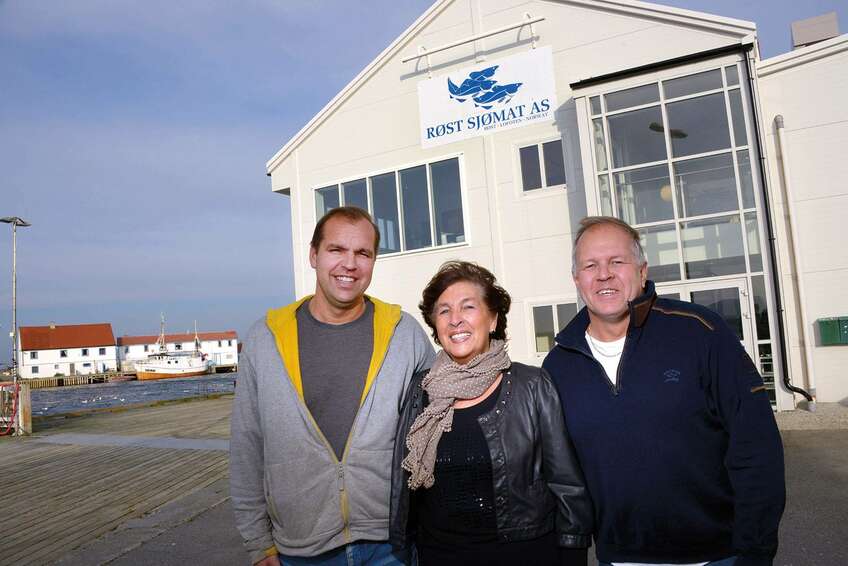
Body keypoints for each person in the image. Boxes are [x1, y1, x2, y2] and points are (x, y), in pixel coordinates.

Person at [543, 216, 785, 566]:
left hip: (719, 555)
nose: (604, 274)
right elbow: (560, 476)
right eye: (590, 265)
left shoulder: (701, 333)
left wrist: (755, 552)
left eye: (617, 262)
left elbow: (755, 445)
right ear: (577, 279)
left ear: (642, 271)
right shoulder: (559, 365)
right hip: (620, 558)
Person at [230, 206, 435, 566]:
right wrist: (258, 543)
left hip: (392, 546)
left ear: (373, 261)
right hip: (301, 550)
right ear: (313, 255)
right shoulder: (266, 339)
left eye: (363, 253)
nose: (349, 264)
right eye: (336, 250)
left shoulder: (405, 334)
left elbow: (441, 424)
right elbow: (247, 443)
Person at [390, 260, 593, 566]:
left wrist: (572, 551)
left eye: (468, 307)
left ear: (493, 319)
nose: (455, 320)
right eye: (444, 311)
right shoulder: (421, 389)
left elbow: (566, 483)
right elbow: (405, 486)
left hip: (523, 555)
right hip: (438, 556)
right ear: (435, 325)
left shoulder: (532, 386)